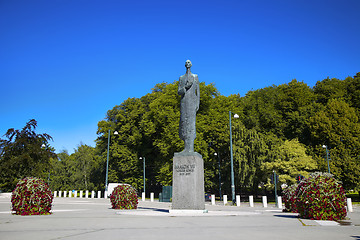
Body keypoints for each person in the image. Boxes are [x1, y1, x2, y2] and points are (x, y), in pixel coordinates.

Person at [178, 60, 200, 153]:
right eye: (186, 62)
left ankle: (190, 148)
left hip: (192, 102)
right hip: (184, 102)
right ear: (184, 65)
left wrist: (197, 103)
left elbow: (198, 92)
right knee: (184, 123)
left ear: (191, 64)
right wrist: (185, 88)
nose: (187, 63)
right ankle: (186, 148)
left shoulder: (195, 77)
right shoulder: (181, 78)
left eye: (189, 62)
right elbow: (179, 91)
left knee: (191, 123)